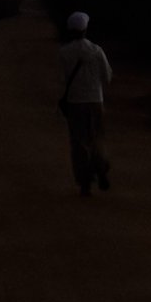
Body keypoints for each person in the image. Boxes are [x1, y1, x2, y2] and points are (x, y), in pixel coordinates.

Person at [57, 11, 114, 195]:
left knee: (79, 142)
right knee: (97, 137)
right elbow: (107, 77)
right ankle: (101, 169)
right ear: (85, 29)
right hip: (95, 100)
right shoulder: (97, 51)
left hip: (75, 102)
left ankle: (85, 181)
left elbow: (63, 79)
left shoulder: (64, 52)